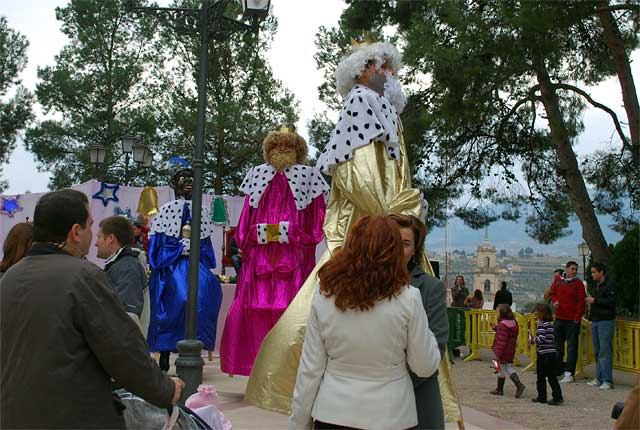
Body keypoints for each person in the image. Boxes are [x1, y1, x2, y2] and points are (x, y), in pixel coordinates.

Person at [245, 40, 463, 426]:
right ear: (360, 71)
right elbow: (357, 176)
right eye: (380, 65)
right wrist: (396, 219)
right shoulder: (361, 102)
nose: (387, 72)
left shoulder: (387, 111)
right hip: (370, 231)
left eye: (390, 66)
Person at [0, 189, 183, 428]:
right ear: (76, 232)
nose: (92, 235)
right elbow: (122, 348)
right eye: (90, 225)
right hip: (71, 415)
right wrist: (166, 388)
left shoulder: (11, 277)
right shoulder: (83, 276)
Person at [288, 216, 441, 430]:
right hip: (392, 415)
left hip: (333, 413)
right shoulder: (409, 298)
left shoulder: (325, 296)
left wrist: (298, 423)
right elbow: (425, 366)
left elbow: (310, 370)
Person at [220, 127, 328, 376]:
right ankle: (255, 367)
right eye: (276, 146)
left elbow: (315, 223)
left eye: (287, 147)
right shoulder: (257, 175)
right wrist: (253, 239)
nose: (281, 151)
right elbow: (245, 221)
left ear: (297, 151)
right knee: (252, 311)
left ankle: (289, 372)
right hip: (259, 262)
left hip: (293, 259)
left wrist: (291, 234)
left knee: (290, 311)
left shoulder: (308, 176)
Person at [148, 163, 222, 371]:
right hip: (171, 267)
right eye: (183, 178)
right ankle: (164, 352)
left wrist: (196, 249)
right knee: (178, 299)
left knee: (207, 295)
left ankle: (194, 347)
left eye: (191, 178)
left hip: (195, 266)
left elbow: (206, 249)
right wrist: (180, 248)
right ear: (174, 184)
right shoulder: (165, 211)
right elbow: (157, 250)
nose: (188, 183)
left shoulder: (203, 211)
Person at [389, 214, 447, 430]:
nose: (397, 249)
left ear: (415, 249)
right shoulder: (364, 287)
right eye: (392, 241)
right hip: (372, 402)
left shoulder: (431, 288)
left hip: (418, 397)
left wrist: (390, 385)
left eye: (405, 244)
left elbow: (436, 344)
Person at [96, 215, 147, 331]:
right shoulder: (121, 265)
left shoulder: (126, 268)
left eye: (99, 237)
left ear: (111, 238)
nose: (96, 243)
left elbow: (128, 318)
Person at [550, 260, 586, 383]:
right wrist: (555, 301)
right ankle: (557, 370)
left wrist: (577, 319)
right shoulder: (558, 280)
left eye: (576, 269)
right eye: (572, 269)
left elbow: (581, 302)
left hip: (572, 321)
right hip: (559, 318)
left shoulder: (578, 284)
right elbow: (552, 293)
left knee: (571, 347)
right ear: (566, 268)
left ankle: (569, 372)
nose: (574, 271)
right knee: (557, 347)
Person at [585, 262, 616, 390]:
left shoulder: (610, 285)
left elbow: (611, 302)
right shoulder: (598, 285)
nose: (592, 275)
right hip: (596, 320)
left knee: (604, 350)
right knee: (597, 351)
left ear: (601, 272)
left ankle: (607, 380)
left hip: (605, 320)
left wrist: (595, 301)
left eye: (594, 272)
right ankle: (599, 377)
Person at [530, 303, 563, 405]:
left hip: (543, 354)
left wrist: (532, 339)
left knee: (541, 377)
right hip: (551, 353)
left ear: (541, 313)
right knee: (552, 376)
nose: (535, 313)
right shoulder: (550, 325)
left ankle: (542, 396)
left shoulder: (541, 325)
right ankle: (557, 396)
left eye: (536, 311)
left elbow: (541, 339)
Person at [490, 304, 525, 398]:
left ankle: (516, 385)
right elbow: (507, 334)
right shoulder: (513, 322)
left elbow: (501, 341)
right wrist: (496, 328)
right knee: (506, 367)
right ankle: (500, 389)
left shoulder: (502, 325)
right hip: (510, 350)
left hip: (503, 351)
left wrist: (497, 354)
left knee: (501, 367)